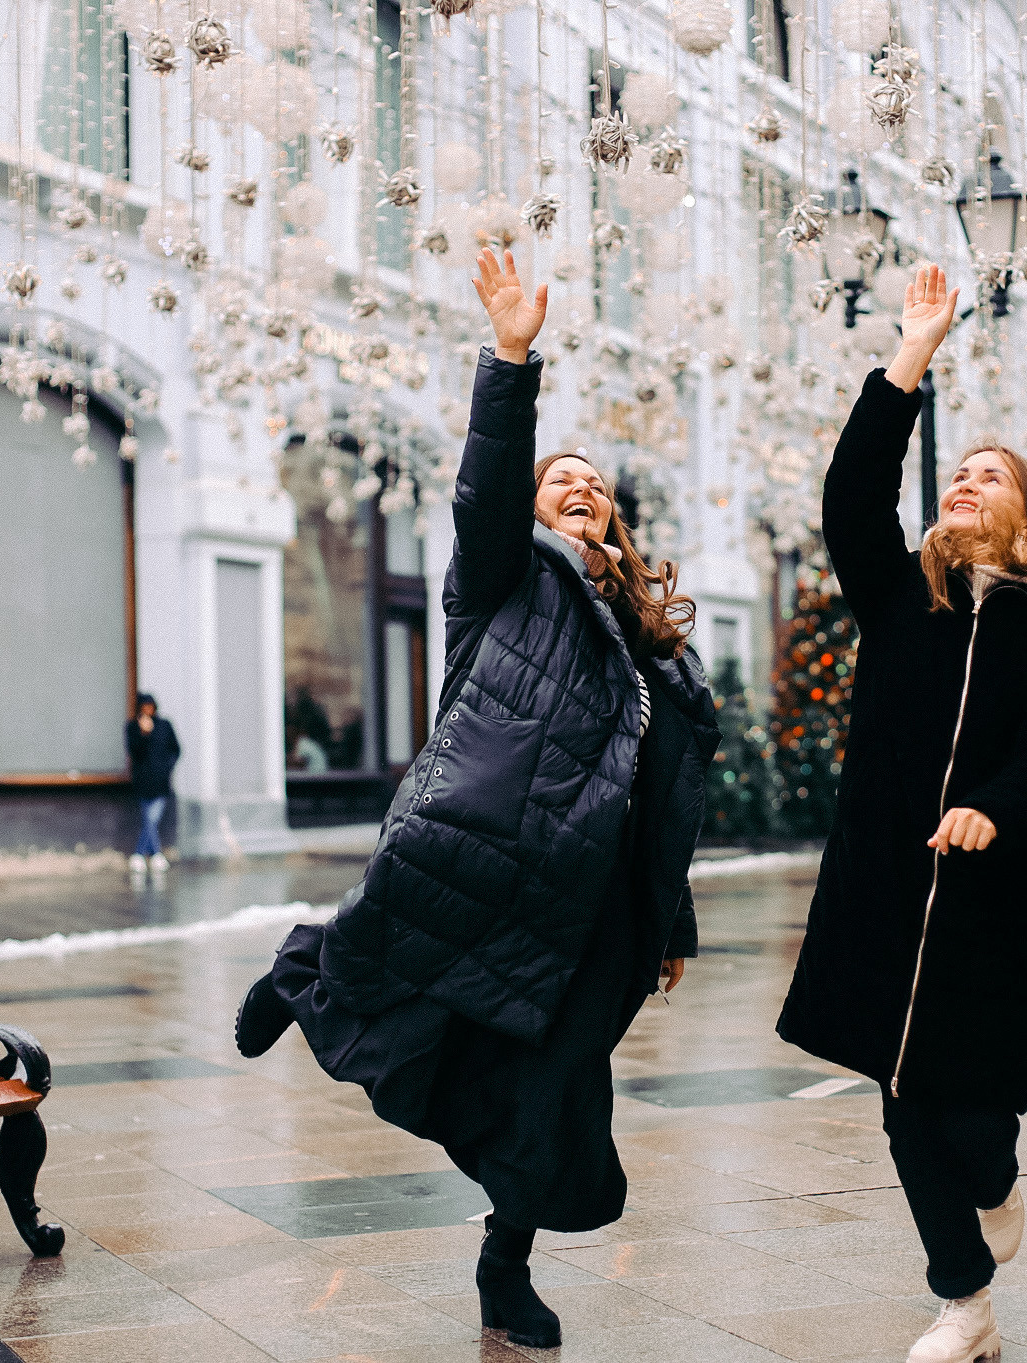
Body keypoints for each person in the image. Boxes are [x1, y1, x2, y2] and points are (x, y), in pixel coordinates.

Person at [229, 250, 718, 1350]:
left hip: (594, 901)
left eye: (594, 480)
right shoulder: (506, 582)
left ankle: (505, 1262)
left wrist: (669, 920)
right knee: (412, 979)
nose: (578, 483)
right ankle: (308, 973)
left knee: (553, 1088)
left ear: (617, 518)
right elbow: (485, 489)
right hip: (478, 845)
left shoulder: (654, 642)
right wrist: (509, 361)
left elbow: (665, 798)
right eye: (561, 476)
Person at [776, 265, 1027, 1363]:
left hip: (991, 902)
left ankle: (997, 1172)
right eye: (957, 473)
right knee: (902, 1097)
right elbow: (851, 499)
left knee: (971, 1105)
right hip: (881, 890)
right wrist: (907, 357)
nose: (964, 484)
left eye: (990, 477)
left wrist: (992, 811)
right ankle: (962, 1303)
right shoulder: (901, 602)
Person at [125, 693, 180, 875]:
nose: (148, 710)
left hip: (161, 781)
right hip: (143, 782)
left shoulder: (164, 726)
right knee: (148, 818)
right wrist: (143, 734)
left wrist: (166, 767)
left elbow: (175, 749)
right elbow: (134, 752)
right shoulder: (133, 727)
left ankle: (141, 854)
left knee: (152, 818)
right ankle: (154, 855)